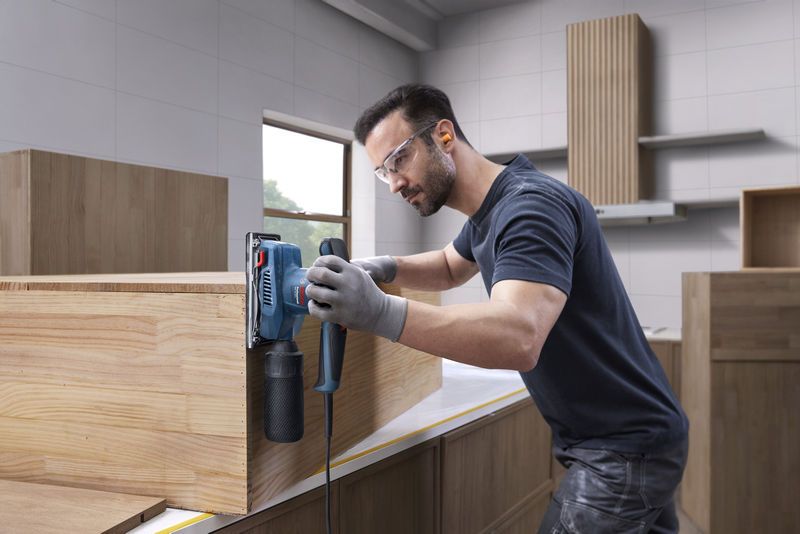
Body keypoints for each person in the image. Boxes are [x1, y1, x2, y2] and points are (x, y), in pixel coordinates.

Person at [305, 84, 688, 533]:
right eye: (382, 172)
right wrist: (383, 268)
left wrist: (378, 312)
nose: (393, 184)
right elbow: (450, 265)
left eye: (398, 160)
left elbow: (518, 336)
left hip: (623, 447)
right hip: (634, 434)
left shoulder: (530, 208)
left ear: (444, 136)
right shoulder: (495, 206)